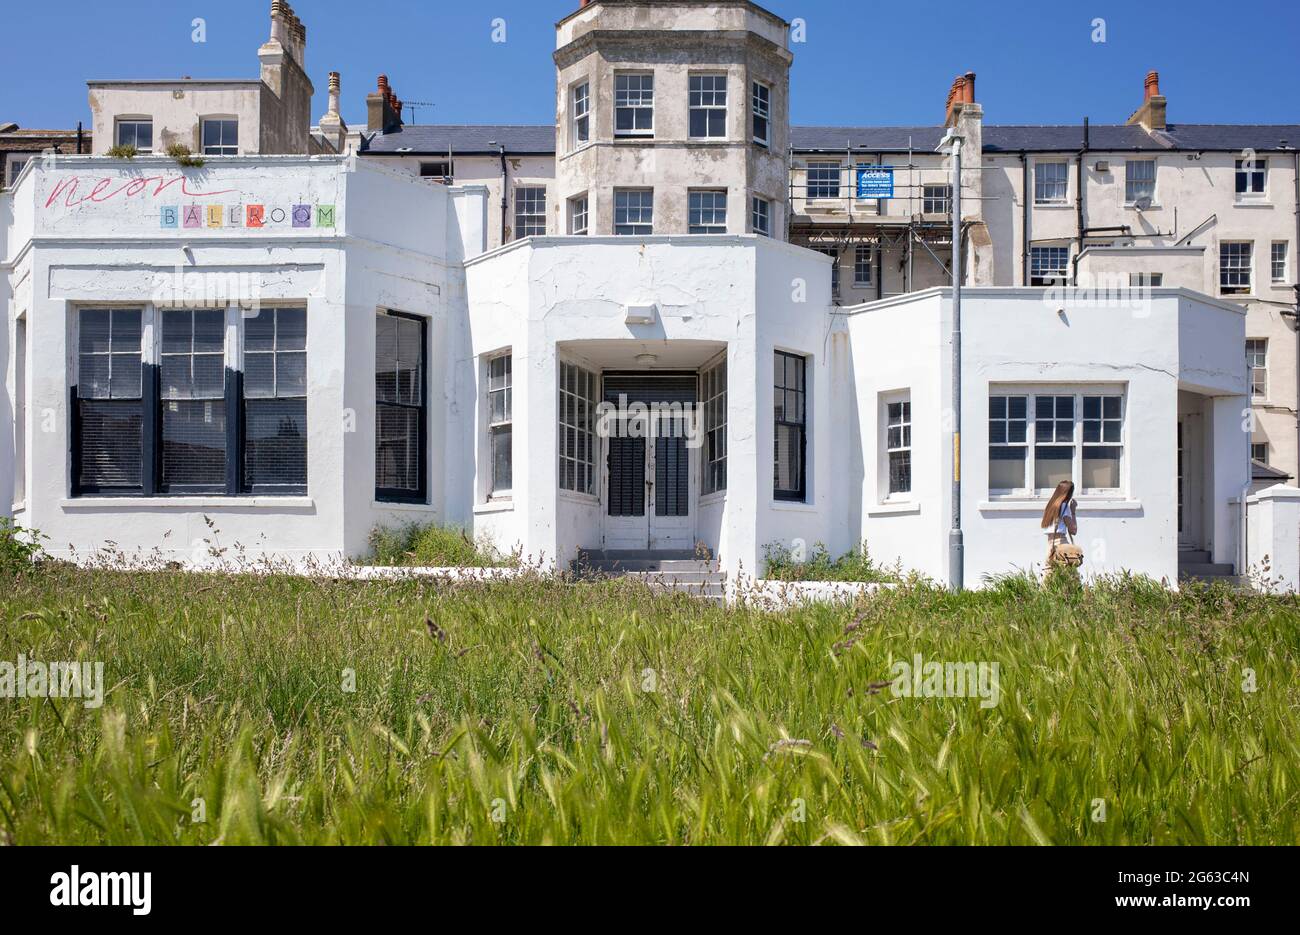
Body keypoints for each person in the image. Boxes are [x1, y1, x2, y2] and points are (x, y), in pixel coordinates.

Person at [1041, 480, 1077, 566]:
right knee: (1068, 576)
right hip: (1062, 545)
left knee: (1050, 575)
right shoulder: (1064, 506)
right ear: (1068, 494)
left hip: (1050, 546)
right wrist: (1073, 511)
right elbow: (1073, 530)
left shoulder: (1050, 506)